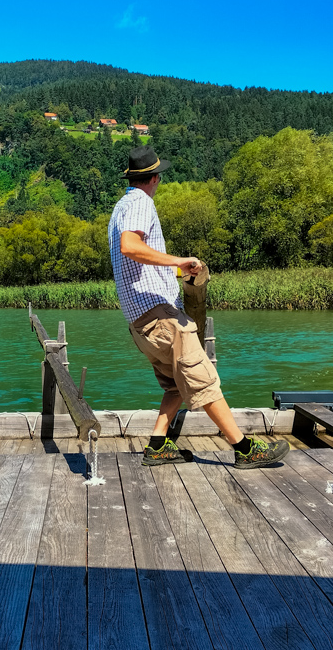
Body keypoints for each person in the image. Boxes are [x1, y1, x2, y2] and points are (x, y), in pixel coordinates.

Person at [109, 146, 289, 469]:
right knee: (203, 376)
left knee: (178, 383)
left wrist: (179, 271)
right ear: (154, 178)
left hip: (139, 323)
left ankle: (157, 445)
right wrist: (179, 260)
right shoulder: (140, 203)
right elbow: (130, 246)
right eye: (159, 175)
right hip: (159, 315)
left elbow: (136, 259)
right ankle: (245, 448)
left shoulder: (120, 207)